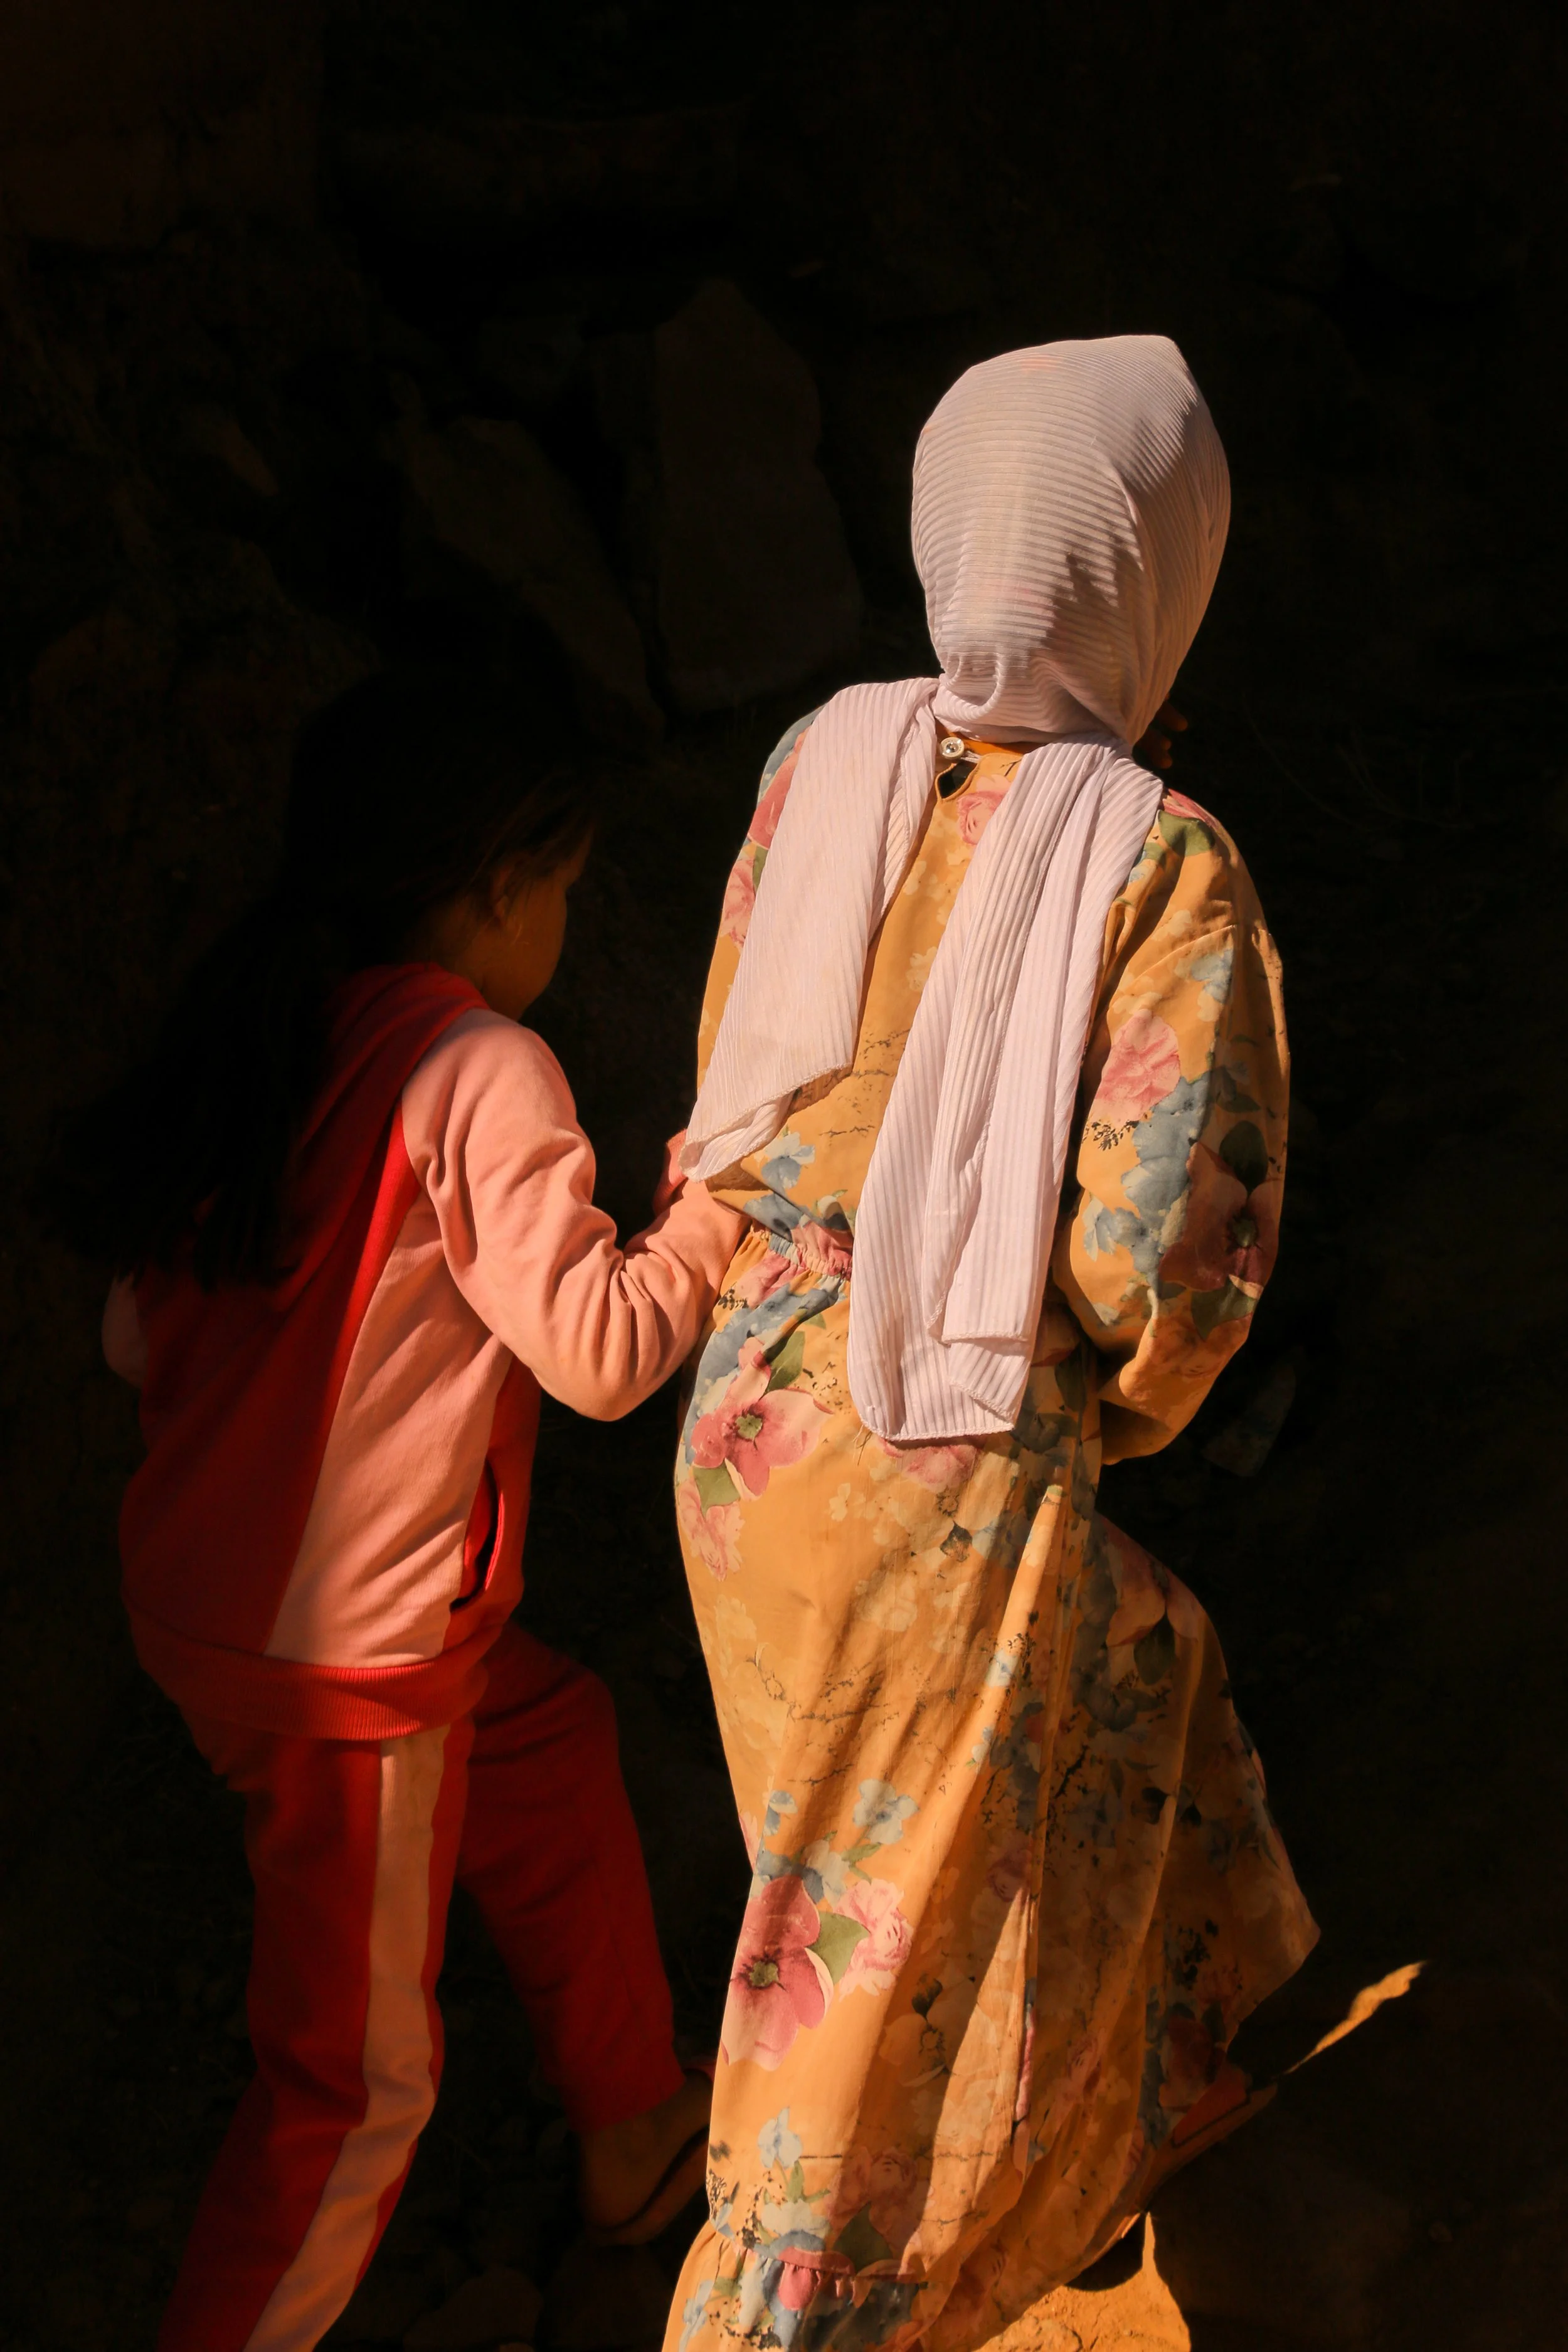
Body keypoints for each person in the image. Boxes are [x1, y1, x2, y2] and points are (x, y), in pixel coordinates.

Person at [667, 337, 1318, 2352]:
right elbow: (1160, 1256)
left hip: (744, 1435)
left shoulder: (819, 762)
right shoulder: (1157, 858)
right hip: (937, 1460)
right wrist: (1087, 1410)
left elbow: (732, 1086)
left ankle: (1079, 2176)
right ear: (1155, 573)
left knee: (1139, 1672)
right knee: (831, 2051)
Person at [46, 671, 743, 2352]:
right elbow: (598, 1350)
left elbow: (132, 1330)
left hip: (210, 1605)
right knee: (356, 2080)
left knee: (548, 1742)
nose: (564, 920)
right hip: (347, 1667)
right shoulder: (477, 1064)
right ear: (497, 883)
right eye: (566, 887)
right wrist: (715, 1208)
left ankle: (639, 2139)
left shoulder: (279, 1033)